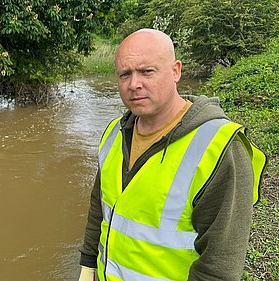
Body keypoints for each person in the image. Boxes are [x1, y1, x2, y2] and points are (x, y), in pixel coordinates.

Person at [77, 29, 267, 281]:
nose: (134, 84)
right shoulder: (115, 133)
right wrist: (88, 264)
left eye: (147, 71)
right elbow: (99, 208)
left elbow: (219, 267)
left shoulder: (220, 148)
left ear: (176, 71)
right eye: (125, 74)